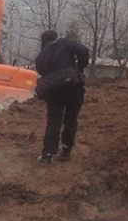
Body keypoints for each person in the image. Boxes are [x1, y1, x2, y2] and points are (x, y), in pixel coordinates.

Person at [35, 30, 90, 164]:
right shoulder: (64, 43)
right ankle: (66, 150)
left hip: (54, 92)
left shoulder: (40, 56)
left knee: (54, 122)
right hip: (74, 87)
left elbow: (44, 74)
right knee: (71, 119)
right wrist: (79, 68)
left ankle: (47, 154)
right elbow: (83, 51)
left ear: (43, 42)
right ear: (55, 38)